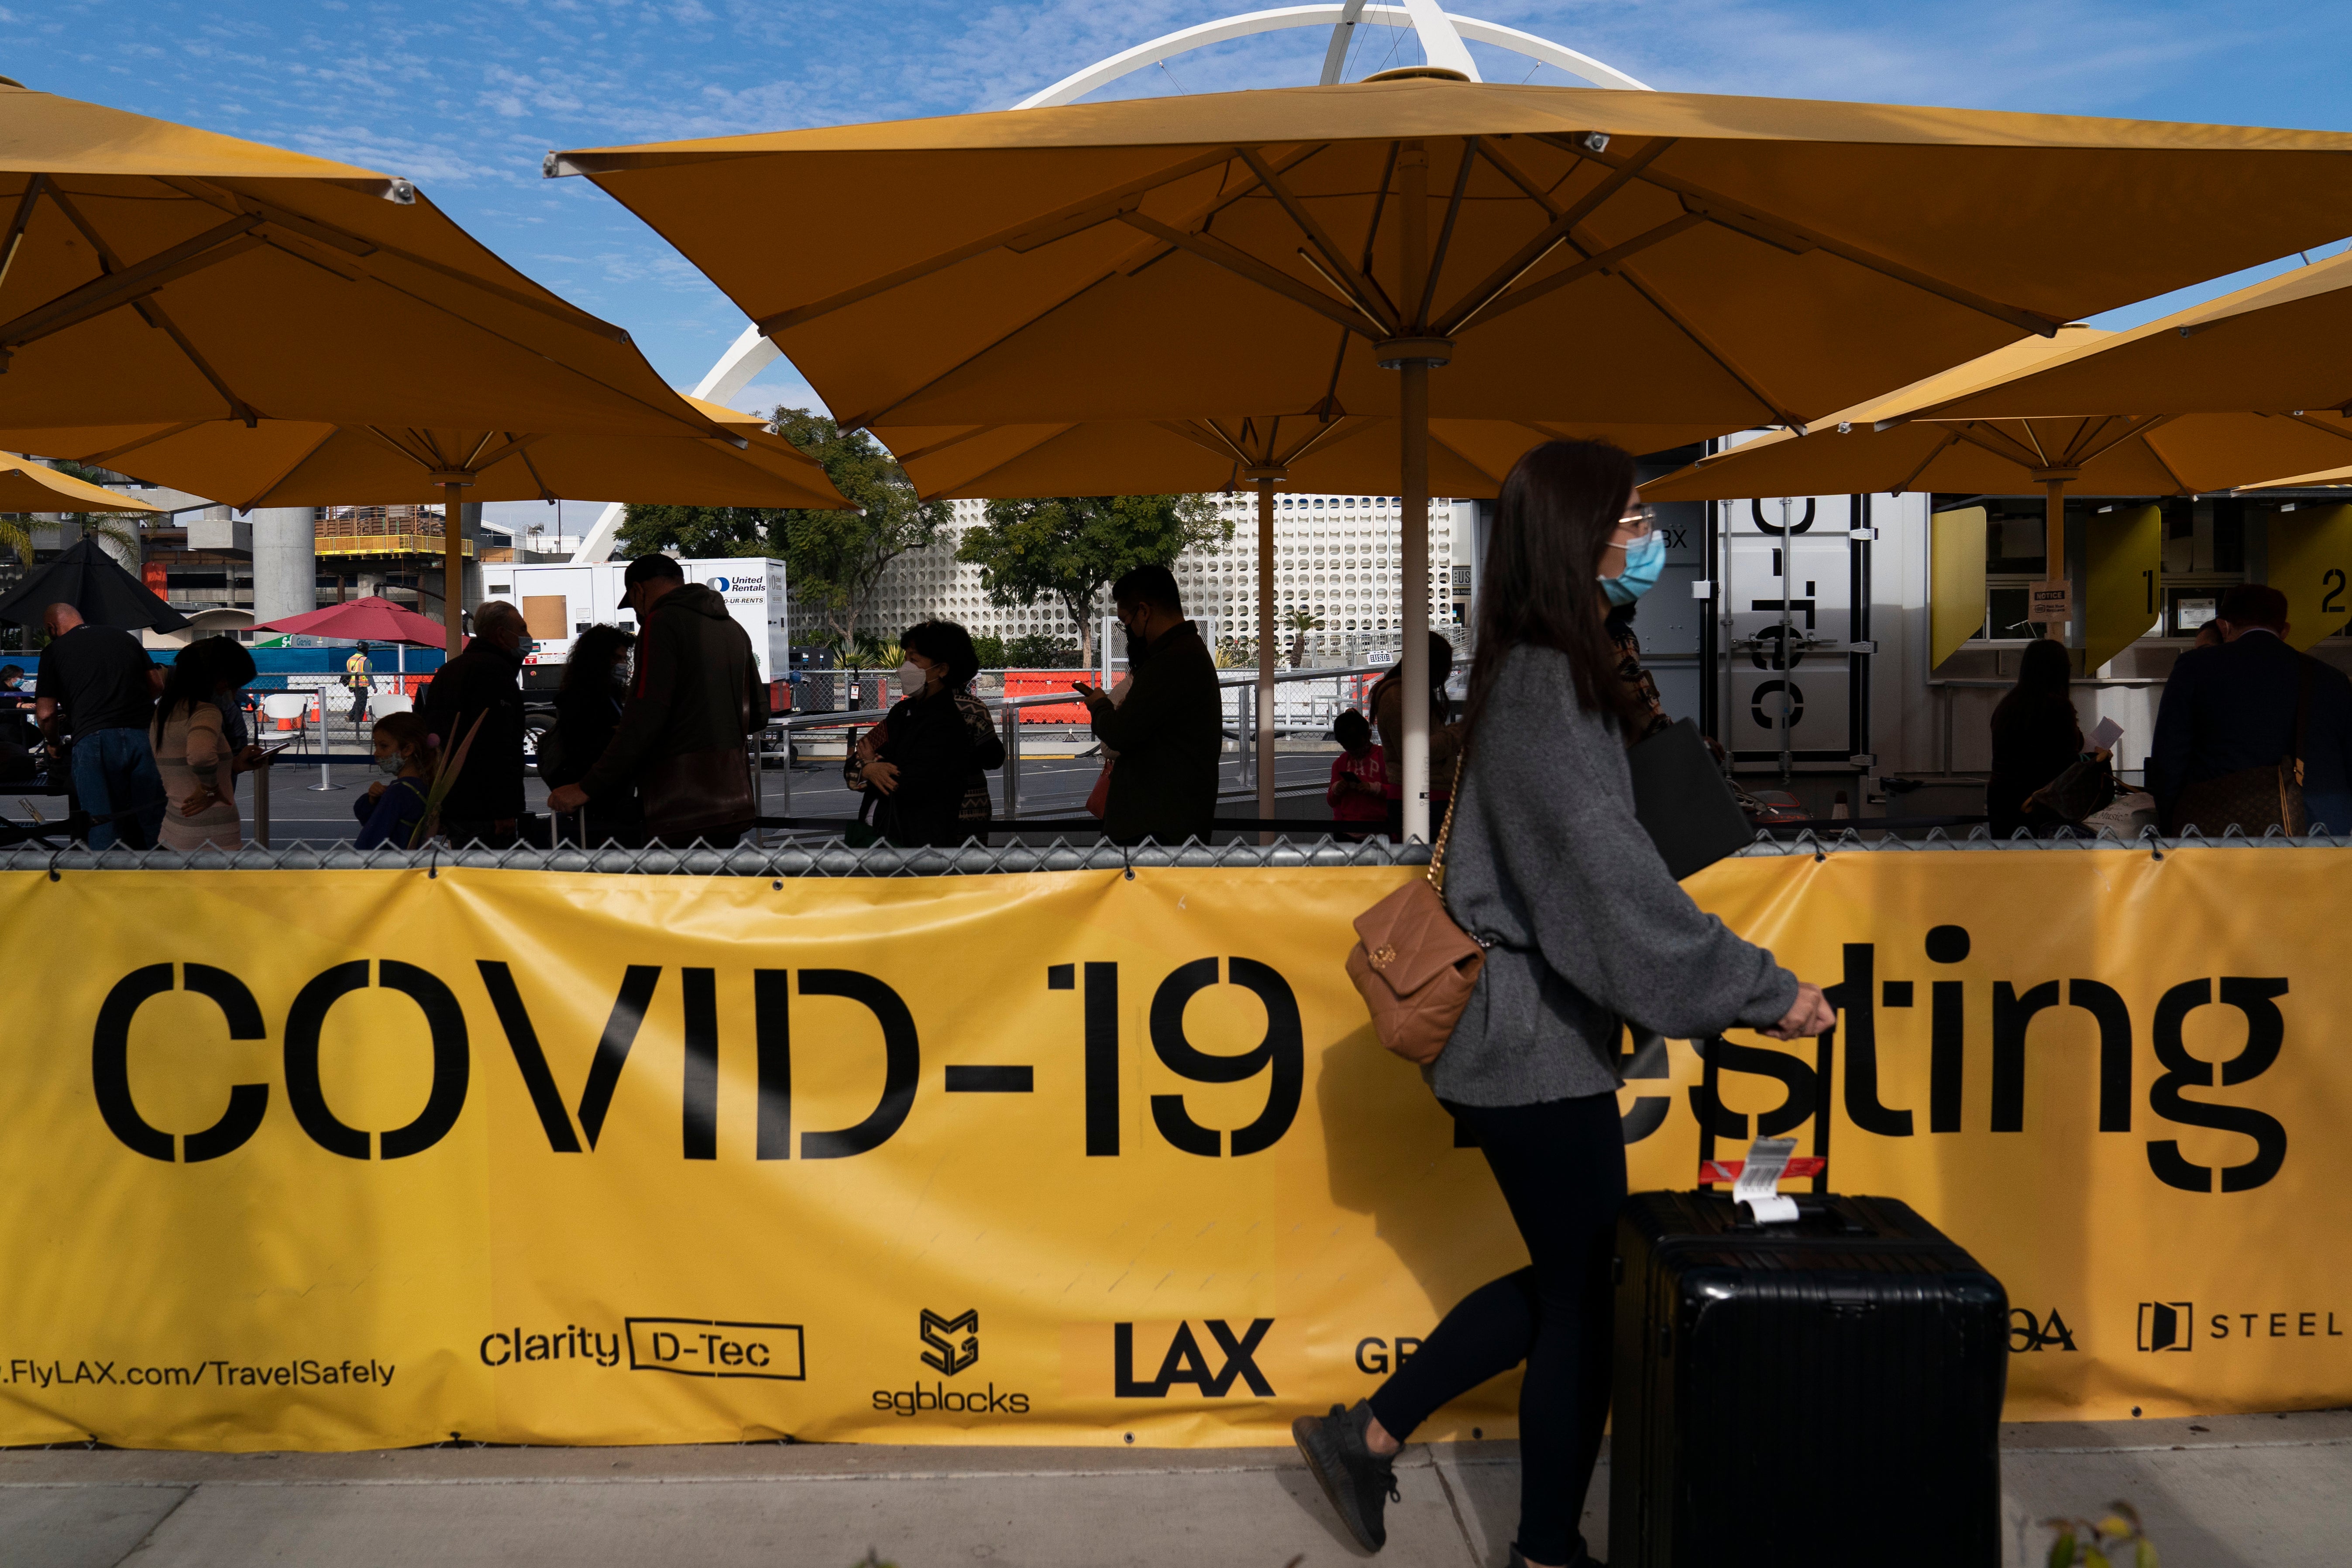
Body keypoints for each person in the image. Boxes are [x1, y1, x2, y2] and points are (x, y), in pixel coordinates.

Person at [1291, 439, 1834, 1568]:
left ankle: (1371, 1433)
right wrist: (1758, 989)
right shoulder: (1544, 683)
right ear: (1575, 538)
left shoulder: (1550, 669)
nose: (1648, 540)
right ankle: (1541, 1549)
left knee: (1575, 1277)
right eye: (1631, 522)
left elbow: (1603, 863)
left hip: (1530, 1041)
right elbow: (1605, 891)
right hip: (1527, 1045)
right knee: (1586, 1300)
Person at [545, 553, 768, 846]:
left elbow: (644, 721)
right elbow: (758, 717)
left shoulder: (660, 623)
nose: (639, 614)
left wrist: (586, 789)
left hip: (679, 806)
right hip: (730, 802)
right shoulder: (733, 628)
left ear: (638, 591)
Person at [2150, 582, 2352, 833]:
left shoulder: (2195, 668)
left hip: (2225, 830)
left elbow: (2169, 757)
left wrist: (2174, 822)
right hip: (2321, 830)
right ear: (2285, 630)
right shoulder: (2331, 679)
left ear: (2224, 627)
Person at [1074, 564, 1221, 845]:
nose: (1126, 630)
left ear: (1144, 612)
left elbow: (1121, 733)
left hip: (1154, 830)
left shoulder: (1171, 662)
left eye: (1125, 620)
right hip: (1175, 821)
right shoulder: (1189, 652)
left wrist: (1100, 705)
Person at [34, 603, 165, 850]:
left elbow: (46, 715)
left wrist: (53, 744)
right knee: (154, 819)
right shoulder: (124, 637)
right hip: (143, 736)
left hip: (93, 740)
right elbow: (157, 685)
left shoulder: (54, 652)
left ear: (52, 628)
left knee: (100, 823)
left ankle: (106, 883)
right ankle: (163, 879)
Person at [843, 620, 985, 848]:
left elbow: (910, 785)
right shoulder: (901, 712)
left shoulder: (946, 724)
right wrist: (870, 767)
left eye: (914, 660)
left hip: (918, 845)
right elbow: (854, 761)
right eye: (906, 658)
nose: (904, 667)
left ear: (942, 669)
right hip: (877, 836)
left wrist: (871, 765)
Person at [417, 601, 531, 847]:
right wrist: (504, 810)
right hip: (485, 810)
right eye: (522, 630)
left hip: (450, 800)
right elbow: (499, 748)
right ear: (502, 634)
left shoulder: (449, 671)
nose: (528, 637)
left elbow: (432, 735)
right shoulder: (496, 675)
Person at [148, 636, 262, 852]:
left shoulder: (165, 711)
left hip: (177, 829)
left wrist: (235, 764)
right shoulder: (205, 712)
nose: (231, 691)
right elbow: (200, 756)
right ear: (217, 678)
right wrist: (210, 788)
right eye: (231, 683)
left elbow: (185, 766)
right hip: (210, 837)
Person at [1987, 636, 2098, 839]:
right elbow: (2066, 762)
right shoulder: (2057, 707)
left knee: (2008, 864)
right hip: (2041, 805)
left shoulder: (2007, 705)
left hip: (2001, 801)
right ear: (2059, 671)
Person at [542, 624, 640, 847]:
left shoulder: (608, 695)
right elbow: (586, 752)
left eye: (624, 659)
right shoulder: (581, 700)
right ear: (597, 660)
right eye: (616, 658)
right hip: (594, 809)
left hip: (605, 803)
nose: (622, 665)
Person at [1371, 630, 1463, 843]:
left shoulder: (1407, 692)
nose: (1448, 673)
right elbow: (1416, 751)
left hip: (1426, 795)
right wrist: (1459, 733)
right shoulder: (1398, 696)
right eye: (1445, 666)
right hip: (1420, 796)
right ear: (1432, 664)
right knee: (1424, 865)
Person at [353, 712, 434, 850]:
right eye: (376, 746)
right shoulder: (422, 786)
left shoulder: (398, 792)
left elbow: (372, 838)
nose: (376, 753)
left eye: (384, 746)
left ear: (408, 750)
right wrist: (372, 800)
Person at [1326, 708, 1387, 839]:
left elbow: (1398, 792)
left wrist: (1374, 788)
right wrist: (1337, 789)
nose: (1353, 750)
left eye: (1356, 745)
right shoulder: (1340, 763)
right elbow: (1331, 801)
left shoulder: (1383, 757)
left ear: (1369, 735)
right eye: (1347, 746)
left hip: (1380, 831)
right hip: (1345, 831)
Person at [344, 642, 374, 732]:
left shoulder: (350, 659)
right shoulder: (365, 660)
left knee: (359, 701)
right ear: (365, 650)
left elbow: (348, 672)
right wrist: (374, 686)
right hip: (361, 685)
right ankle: (354, 718)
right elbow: (369, 675)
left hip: (352, 685)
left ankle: (354, 719)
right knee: (362, 703)